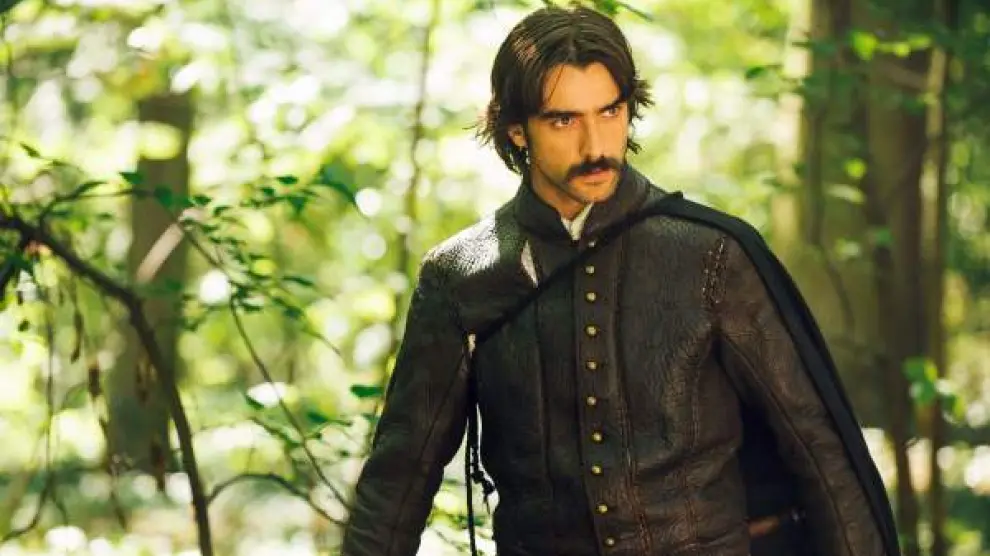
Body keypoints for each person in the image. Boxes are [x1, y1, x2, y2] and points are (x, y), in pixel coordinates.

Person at [341, 5, 900, 556]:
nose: (595, 146)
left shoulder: (712, 255)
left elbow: (822, 454)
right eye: (564, 120)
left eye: (609, 112)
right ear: (516, 130)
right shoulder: (460, 279)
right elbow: (397, 483)